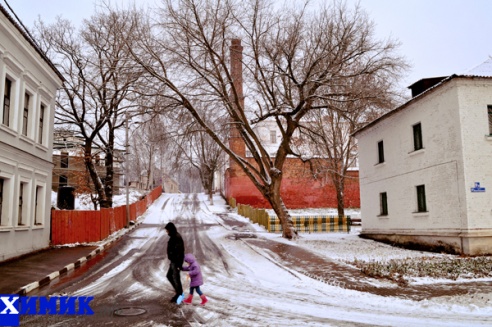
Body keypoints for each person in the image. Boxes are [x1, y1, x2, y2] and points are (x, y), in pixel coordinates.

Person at [165, 222, 185, 303]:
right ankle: (178, 292)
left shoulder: (176, 237)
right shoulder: (174, 236)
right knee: (169, 276)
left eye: (167, 230)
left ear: (170, 229)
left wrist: (179, 264)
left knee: (176, 278)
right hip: (174, 261)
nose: (167, 232)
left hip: (176, 262)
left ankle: (179, 295)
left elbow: (180, 252)